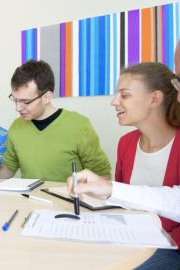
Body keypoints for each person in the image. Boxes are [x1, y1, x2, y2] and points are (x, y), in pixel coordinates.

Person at [68, 41, 180, 269]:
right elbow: (123, 204)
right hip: (131, 240)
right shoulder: (126, 144)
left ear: (154, 99)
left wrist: (110, 190)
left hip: (168, 248)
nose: (114, 102)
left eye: (124, 95)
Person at [0, 60, 111, 182]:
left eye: (25, 101)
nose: (18, 108)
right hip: (31, 205)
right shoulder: (17, 127)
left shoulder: (80, 126)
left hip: (68, 206)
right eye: (15, 100)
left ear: (46, 97)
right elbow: (8, 169)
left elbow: (102, 175)